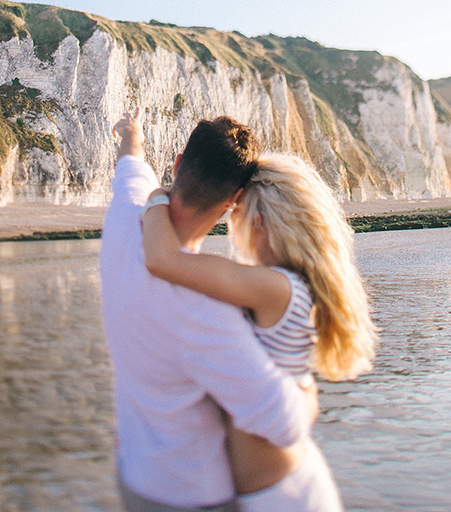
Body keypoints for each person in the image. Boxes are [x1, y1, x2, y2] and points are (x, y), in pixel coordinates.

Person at [99, 110, 317, 511]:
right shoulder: (206, 313)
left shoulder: (122, 217)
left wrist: (131, 135)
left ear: (179, 162)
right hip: (191, 494)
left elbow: (132, 167)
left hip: (133, 475)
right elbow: (284, 423)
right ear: (234, 202)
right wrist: (306, 385)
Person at [142, 152, 378, 511]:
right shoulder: (291, 287)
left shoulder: (274, 288)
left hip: (282, 497)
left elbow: (163, 260)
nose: (232, 224)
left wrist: (156, 195)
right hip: (278, 488)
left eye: (237, 213)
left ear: (262, 221)